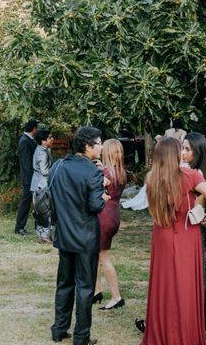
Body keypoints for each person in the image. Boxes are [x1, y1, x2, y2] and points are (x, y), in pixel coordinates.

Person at [141, 137, 206, 345]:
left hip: (162, 235)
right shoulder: (189, 175)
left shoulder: (151, 178)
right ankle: (186, 332)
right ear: (174, 154)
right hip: (186, 234)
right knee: (185, 284)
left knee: (164, 284)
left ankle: (162, 330)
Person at [50, 126, 106, 345]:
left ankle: (59, 329)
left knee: (64, 283)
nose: (102, 145)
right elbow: (95, 205)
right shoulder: (93, 171)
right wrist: (104, 196)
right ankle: (81, 336)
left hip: (64, 234)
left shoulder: (58, 165)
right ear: (87, 146)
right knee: (84, 287)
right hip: (85, 238)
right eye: (99, 142)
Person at [182, 132, 206, 339]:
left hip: (195, 226)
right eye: (182, 148)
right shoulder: (190, 172)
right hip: (192, 225)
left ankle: (199, 320)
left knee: (195, 275)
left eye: (188, 149)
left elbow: (198, 204)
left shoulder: (196, 174)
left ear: (198, 152)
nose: (183, 153)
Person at [95, 138, 127, 310]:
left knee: (103, 257)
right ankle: (96, 291)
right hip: (114, 215)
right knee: (96, 255)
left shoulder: (105, 174)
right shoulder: (121, 172)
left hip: (104, 216)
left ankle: (116, 297)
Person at [30, 128, 54, 243]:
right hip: (41, 186)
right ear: (43, 141)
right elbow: (45, 171)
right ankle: (44, 235)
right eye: (50, 137)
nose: (52, 139)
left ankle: (41, 235)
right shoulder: (41, 153)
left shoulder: (43, 150)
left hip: (39, 185)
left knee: (40, 212)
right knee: (44, 211)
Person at [14, 119, 38, 235]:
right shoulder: (24, 141)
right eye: (36, 129)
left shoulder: (29, 140)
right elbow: (26, 163)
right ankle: (19, 227)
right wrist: (31, 179)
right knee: (25, 201)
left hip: (32, 177)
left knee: (31, 201)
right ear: (34, 129)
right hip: (29, 178)